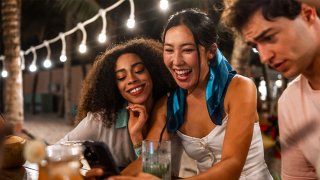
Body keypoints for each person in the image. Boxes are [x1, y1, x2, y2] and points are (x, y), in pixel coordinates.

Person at [113, 9, 272, 180]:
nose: (177, 61)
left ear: (210, 51)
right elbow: (152, 164)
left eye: (187, 50)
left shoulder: (240, 88)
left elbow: (231, 166)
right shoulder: (167, 105)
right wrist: (111, 177)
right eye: (169, 50)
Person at [221, 0, 320, 179]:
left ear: (307, 15)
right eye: (256, 46)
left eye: (269, 37)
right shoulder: (290, 104)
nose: (265, 57)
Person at [58, 38, 176, 171]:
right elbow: (57, 150)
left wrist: (136, 138)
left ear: (153, 72)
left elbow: (156, 171)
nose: (131, 79)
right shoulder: (101, 120)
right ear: (114, 86)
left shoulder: (172, 110)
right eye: (121, 77)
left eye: (139, 70)